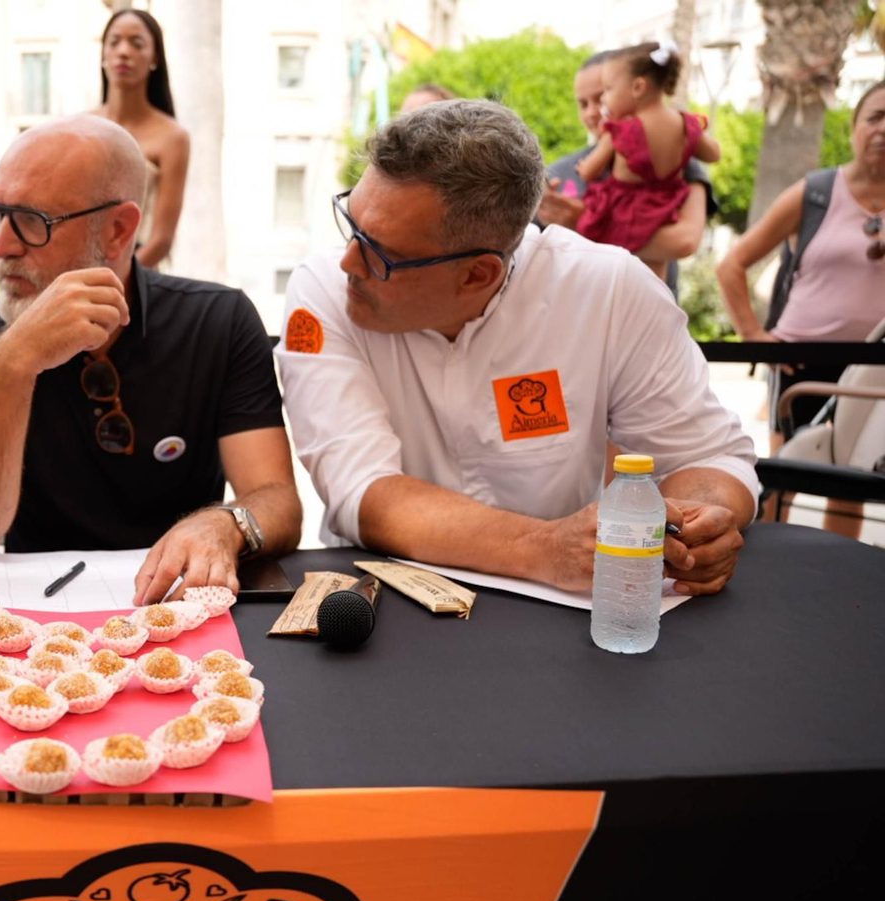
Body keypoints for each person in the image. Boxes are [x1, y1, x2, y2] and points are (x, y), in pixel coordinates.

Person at [279, 101, 758, 597]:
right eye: (351, 223)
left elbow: (704, 455)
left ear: (478, 274)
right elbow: (363, 491)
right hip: (377, 602)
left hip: (566, 610)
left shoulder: (608, 290)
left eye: (380, 253)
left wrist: (696, 526)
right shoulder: (322, 292)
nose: (348, 262)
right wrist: (544, 548)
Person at [0, 115, 300, 605]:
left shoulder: (216, 322)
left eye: (32, 221)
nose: (1, 245)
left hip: (177, 603)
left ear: (118, 230)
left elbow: (277, 499)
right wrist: (13, 359)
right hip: (34, 616)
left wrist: (224, 524)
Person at [716, 80, 885, 538]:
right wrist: (755, 337)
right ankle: (771, 570)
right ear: (853, 127)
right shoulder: (815, 192)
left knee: (852, 484)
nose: (883, 129)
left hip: (874, 369)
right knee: (782, 481)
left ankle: (840, 571)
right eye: (875, 117)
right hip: (800, 362)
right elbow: (732, 264)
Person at [539, 50, 714, 295]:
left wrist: (584, 224)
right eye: (583, 104)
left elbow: (684, 241)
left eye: (603, 95)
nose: (592, 112)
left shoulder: (678, 161)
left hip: (650, 306)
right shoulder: (561, 170)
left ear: (636, 89)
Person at [94, 7, 188, 270]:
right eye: (114, 42)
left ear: (154, 57)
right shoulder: (81, 126)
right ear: (103, 53)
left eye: (136, 43)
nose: (124, 51)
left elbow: (162, 240)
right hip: (79, 268)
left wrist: (116, 279)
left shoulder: (173, 137)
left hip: (138, 272)